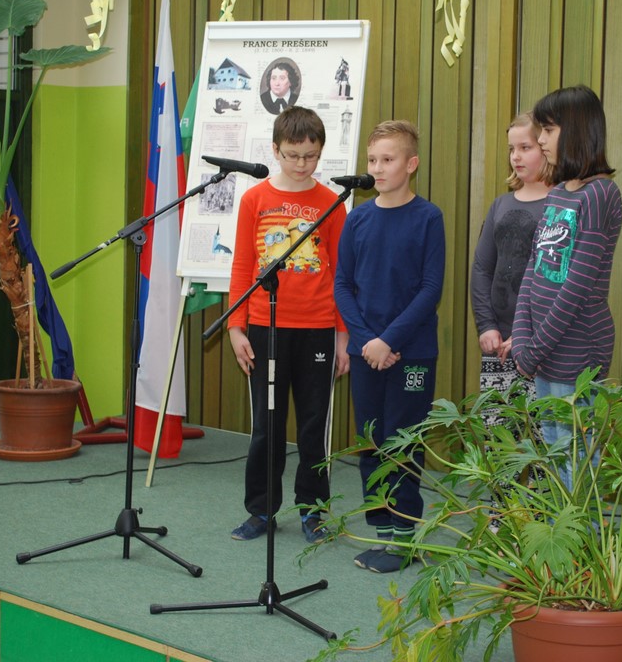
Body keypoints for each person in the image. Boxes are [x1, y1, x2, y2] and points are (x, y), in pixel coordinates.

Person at [227, 106, 349, 545]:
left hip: (318, 327)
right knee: (268, 424)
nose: (301, 164)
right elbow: (242, 265)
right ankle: (261, 509)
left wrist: (343, 336)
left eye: (310, 156)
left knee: (313, 425)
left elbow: (342, 273)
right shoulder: (254, 200)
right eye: (293, 155)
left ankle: (313, 511)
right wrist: (236, 327)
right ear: (275, 150)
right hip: (266, 326)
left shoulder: (333, 203)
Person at [335, 120, 445, 574]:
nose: (377, 168)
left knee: (403, 443)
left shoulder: (428, 218)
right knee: (372, 441)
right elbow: (343, 285)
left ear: (411, 163)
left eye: (388, 159)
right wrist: (367, 341)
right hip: (366, 353)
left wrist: (389, 340)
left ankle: (405, 537)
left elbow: (430, 288)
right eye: (372, 160)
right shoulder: (357, 218)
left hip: (410, 353)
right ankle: (381, 531)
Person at [510, 85, 622, 489]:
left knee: (577, 463)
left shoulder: (601, 194)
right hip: (543, 350)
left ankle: (581, 533)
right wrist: (522, 338)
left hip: (576, 348)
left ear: (575, 130)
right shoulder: (558, 192)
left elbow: (575, 288)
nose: (541, 139)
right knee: (556, 456)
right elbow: (534, 270)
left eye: (548, 129)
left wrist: (533, 350)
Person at [471, 112, 552, 400]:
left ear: (546, 148)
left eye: (525, 148)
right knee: (498, 425)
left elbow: (559, 281)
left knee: (543, 427)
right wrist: (486, 326)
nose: (515, 156)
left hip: (541, 346)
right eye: (511, 149)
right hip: (498, 344)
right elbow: (482, 268)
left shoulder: (561, 205)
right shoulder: (500, 205)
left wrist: (528, 336)